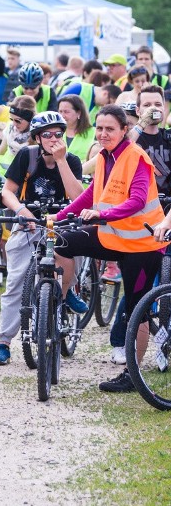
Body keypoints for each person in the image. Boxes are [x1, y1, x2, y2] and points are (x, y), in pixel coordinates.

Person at [53, 104, 165, 392]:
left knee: (135, 308)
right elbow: (92, 194)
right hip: (112, 237)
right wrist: (60, 217)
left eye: (110, 129)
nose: (103, 134)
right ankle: (62, 298)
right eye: (100, 129)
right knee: (63, 240)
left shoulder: (137, 157)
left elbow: (138, 201)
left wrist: (103, 215)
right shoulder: (104, 157)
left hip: (142, 244)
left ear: (124, 130)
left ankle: (132, 373)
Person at [0, 111, 84, 366]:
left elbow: (79, 197)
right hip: (29, 223)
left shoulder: (71, 160)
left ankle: (66, 293)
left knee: (72, 253)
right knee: (16, 283)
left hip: (60, 224)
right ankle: (4, 342)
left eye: (58, 134)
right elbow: (7, 192)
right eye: (47, 134)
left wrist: (61, 161)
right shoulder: (26, 156)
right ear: (37, 138)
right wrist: (22, 211)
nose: (53, 138)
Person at [57, 93, 96, 162]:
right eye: (60, 111)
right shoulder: (54, 133)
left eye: (66, 112)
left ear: (79, 113)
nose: (62, 116)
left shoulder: (94, 133)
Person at [0, 95, 36, 161]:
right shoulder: (10, 128)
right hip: (7, 166)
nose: (14, 124)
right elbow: (1, 151)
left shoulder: (38, 133)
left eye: (18, 121)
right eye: (12, 119)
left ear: (29, 119)